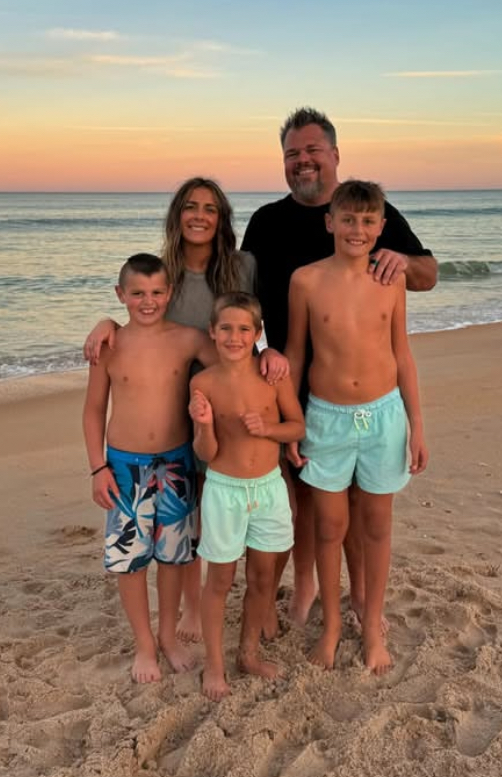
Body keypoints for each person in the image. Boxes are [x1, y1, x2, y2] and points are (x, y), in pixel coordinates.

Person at [241, 107, 438, 630]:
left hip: (366, 395)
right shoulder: (266, 222)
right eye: (292, 154)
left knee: (360, 500)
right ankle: (306, 585)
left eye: (312, 150)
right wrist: (251, 354)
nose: (302, 161)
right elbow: (240, 298)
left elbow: (427, 273)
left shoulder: (367, 211)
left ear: (334, 154)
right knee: (308, 498)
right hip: (291, 380)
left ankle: (361, 596)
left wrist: (403, 260)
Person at [83, 177, 288, 644]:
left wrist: (269, 354)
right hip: (176, 414)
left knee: (218, 514)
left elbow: (255, 325)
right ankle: (192, 610)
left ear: (222, 218)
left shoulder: (242, 266)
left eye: (210, 208)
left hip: (226, 407)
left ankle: (242, 603)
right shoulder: (165, 273)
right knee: (187, 517)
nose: (199, 215)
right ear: (177, 215)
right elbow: (138, 316)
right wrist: (106, 322)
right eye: (190, 206)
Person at [285, 180, 428, 675]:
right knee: (329, 527)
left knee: (376, 526)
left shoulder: (391, 281)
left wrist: (417, 426)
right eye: (348, 219)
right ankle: (330, 626)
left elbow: (402, 355)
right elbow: (296, 355)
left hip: (383, 417)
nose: (357, 229)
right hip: (326, 419)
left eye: (368, 221)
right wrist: (293, 421)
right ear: (330, 222)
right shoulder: (305, 281)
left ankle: (371, 627)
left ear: (382, 227)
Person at [82, 252, 217, 683]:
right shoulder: (110, 346)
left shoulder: (188, 339)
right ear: (120, 294)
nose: (148, 301)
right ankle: (144, 645)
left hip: (176, 464)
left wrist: (268, 357)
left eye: (157, 292)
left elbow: (234, 360)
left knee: (174, 558)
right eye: (137, 293)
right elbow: (93, 410)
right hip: (124, 469)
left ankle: (167, 637)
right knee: (131, 562)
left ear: (170, 293)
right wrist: (97, 468)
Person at [188, 292, 305, 701]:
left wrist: (268, 429)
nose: (234, 337)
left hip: (269, 488)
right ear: (212, 332)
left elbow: (297, 427)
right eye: (225, 328)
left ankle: (248, 654)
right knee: (219, 580)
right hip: (224, 490)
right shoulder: (203, 383)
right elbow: (206, 453)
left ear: (257, 334)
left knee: (262, 577)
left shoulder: (272, 376)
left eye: (243, 329)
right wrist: (205, 425)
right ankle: (214, 664)